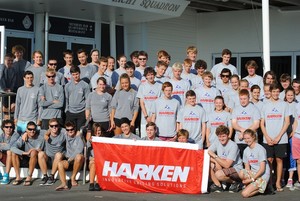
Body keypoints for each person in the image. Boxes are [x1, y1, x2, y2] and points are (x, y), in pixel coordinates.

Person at [260, 83, 289, 192]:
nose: (276, 93)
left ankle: (278, 182)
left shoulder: (284, 104)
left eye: (278, 91)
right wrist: (267, 137)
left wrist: (278, 137)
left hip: (281, 138)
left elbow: (286, 122)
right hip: (267, 138)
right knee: (269, 160)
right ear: (270, 92)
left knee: (279, 160)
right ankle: (270, 182)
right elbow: (262, 124)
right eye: (274, 91)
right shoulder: (265, 105)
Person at [208, 125, 243, 193]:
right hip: (223, 166)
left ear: (227, 135)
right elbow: (208, 151)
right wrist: (215, 161)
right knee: (210, 164)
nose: (221, 139)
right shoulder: (217, 142)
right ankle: (218, 185)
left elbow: (227, 165)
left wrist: (215, 157)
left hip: (236, 168)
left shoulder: (233, 145)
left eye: (223, 136)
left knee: (218, 174)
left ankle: (235, 182)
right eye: (219, 136)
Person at [11, 121, 45, 186]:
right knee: (14, 153)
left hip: (36, 160)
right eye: (30, 129)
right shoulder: (23, 137)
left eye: (33, 129)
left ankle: (29, 177)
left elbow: (40, 150)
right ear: (26, 130)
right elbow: (12, 147)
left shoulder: (40, 138)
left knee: (33, 152)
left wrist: (33, 150)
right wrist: (25, 153)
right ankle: (18, 177)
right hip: (26, 157)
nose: (32, 131)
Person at [239, 129, 270, 198]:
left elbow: (262, 169)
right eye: (245, 138)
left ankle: (263, 188)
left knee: (244, 194)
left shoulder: (260, 149)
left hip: (262, 175)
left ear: (253, 137)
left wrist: (251, 179)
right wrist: (249, 176)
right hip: (254, 173)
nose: (247, 140)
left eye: (248, 138)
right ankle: (251, 185)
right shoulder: (246, 150)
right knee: (241, 172)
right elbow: (247, 167)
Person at [55, 121, 84, 191]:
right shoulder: (65, 134)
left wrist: (69, 160)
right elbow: (54, 127)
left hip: (78, 160)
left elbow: (79, 150)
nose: (70, 131)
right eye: (68, 130)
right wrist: (25, 133)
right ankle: (64, 184)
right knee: (59, 163)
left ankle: (73, 178)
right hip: (69, 159)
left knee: (79, 156)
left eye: (72, 129)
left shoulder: (79, 136)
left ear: (75, 129)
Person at [231, 89, 260, 158]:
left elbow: (256, 124)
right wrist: (242, 130)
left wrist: (244, 133)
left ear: (249, 98)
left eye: (245, 99)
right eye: (241, 99)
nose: (243, 101)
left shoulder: (254, 109)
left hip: (251, 140)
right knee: (240, 161)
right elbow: (234, 124)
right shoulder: (235, 109)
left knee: (252, 160)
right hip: (239, 140)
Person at [38, 118, 67, 186]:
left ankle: (52, 176)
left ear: (59, 126)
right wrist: (25, 134)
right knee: (40, 154)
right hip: (48, 158)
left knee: (58, 154)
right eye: (52, 126)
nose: (54, 127)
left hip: (59, 158)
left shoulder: (63, 132)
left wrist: (78, 133)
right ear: (49, 127)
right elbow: (32, 130)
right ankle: (45, 176)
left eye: (56, 125)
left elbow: (72, 131)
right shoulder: (45, 133)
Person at [137, 67, 162, 138]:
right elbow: (141, 103)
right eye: (148, 75)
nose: (150, 76)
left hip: (156, 118)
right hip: (145, 119)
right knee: (144, 139)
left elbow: (160, 103)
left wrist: (153, 116)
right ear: (146, 77)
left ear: (154, 75)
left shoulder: (159, 86)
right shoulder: (142, 86)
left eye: (152, 74)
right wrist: (146, 117)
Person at [65, 66, 90, 131]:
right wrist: (66, 110)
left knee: (80, 132)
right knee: (71, 131)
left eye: (77, 74)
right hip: (70, 112)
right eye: (73, 74)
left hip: (81, 112)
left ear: (79, 73)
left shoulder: (85, 85)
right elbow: (66, 99)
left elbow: (88, 100)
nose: (75, 76)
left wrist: (86, 111)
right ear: (71, 75)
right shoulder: (67, 86)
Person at [283, 87, 297, 189]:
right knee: (284, 155)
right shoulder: (282, 104)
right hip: (283, 133)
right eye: (288, 95)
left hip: (293, 134)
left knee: (292, 155)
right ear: (285, 96)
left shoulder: (296, 105)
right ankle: (283, 178)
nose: (290, 97)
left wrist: (293, 132)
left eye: (291, 95)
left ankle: (290, 179)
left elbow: (296, 121)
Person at [0, 120, 20, 185]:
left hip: (16, 158)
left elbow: (10, 146)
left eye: (11, 127)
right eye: (7, 127)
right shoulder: (2, 135)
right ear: (3, 128)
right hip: (7, 158)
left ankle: (6, 175)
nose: (9, 129)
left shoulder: (15, 135)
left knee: (9, 151)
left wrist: (2, 144)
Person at [86, 123, 103, 191]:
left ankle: (98, 183)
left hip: (100, 161)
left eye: (99, 130)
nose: (97, 132)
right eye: (96, 131)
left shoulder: (103, 140)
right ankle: (91, 183)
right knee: (93, 163)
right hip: (92, 161)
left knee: (97, 163)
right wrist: (90, 141)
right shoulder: (90, 140)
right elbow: (88, 153)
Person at [0, 53, 17, 119]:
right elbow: (0, 78)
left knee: (12, 106)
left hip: (9, 91)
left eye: (11, 61)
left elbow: (13, 81)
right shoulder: (2, 67)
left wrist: (10, 89)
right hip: (2, 91)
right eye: (8, 60)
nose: (10, 62)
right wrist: (4, 88)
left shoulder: (13, 69)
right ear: (4, 60)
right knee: (4, 108)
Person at [293, 94, 300, 189]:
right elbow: (295, 120)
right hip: (297, 136)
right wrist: (294, 133)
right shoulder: (297, 105)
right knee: (299, 161)